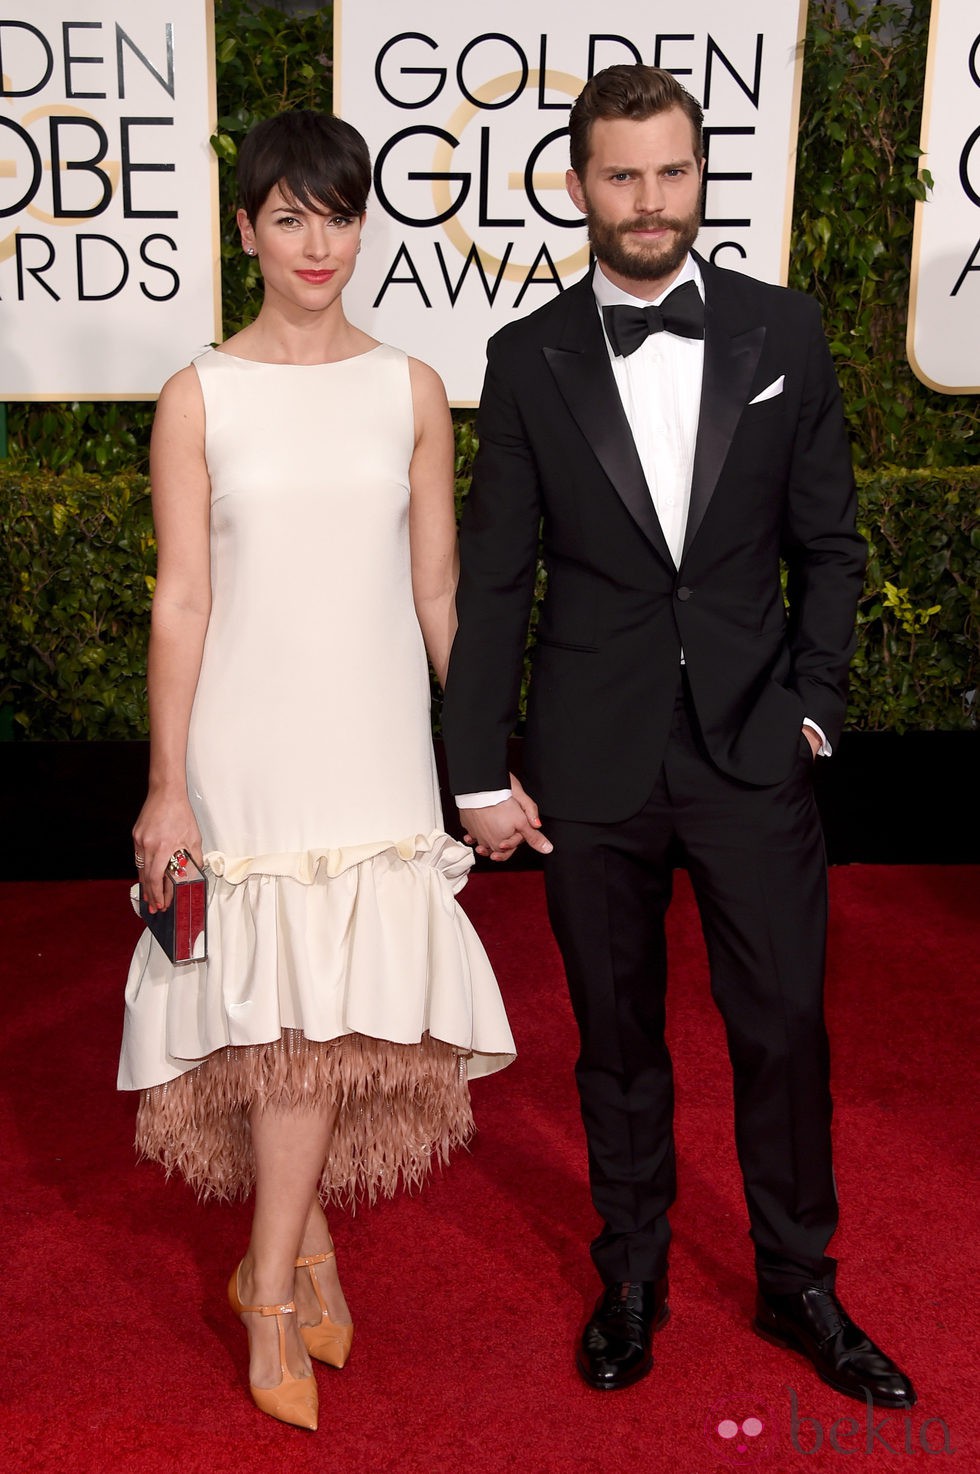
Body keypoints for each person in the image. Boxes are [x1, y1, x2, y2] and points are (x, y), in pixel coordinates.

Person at [441, 65, 915, 1406]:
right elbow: (496, 577)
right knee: (616, 1035)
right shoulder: (527, 356)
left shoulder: (786, 331)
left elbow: (831, 542)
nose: (649, 202)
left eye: (671, 172)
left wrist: (816, 705)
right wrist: (477, 766)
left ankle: (800, 1279)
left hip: (755, 748)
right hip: (591, 761)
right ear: (580, 185)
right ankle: (633, 1272)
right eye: (621, 175)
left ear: (701, 178)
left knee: (784, 1026)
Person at [118, 109, 517, 1431]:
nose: (316, 244)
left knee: (338, 1014)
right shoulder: (199, 395)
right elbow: (182, 600)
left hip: (372, 734)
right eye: (287, 217)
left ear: (361, 226)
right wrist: (167, 783)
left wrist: (485, 759)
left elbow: (439, 590)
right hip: (248, 739)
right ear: (244, 231)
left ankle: (288, 1255)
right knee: (286, 1024)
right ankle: (275, 1288)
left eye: (336, 216)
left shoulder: (407, 387)